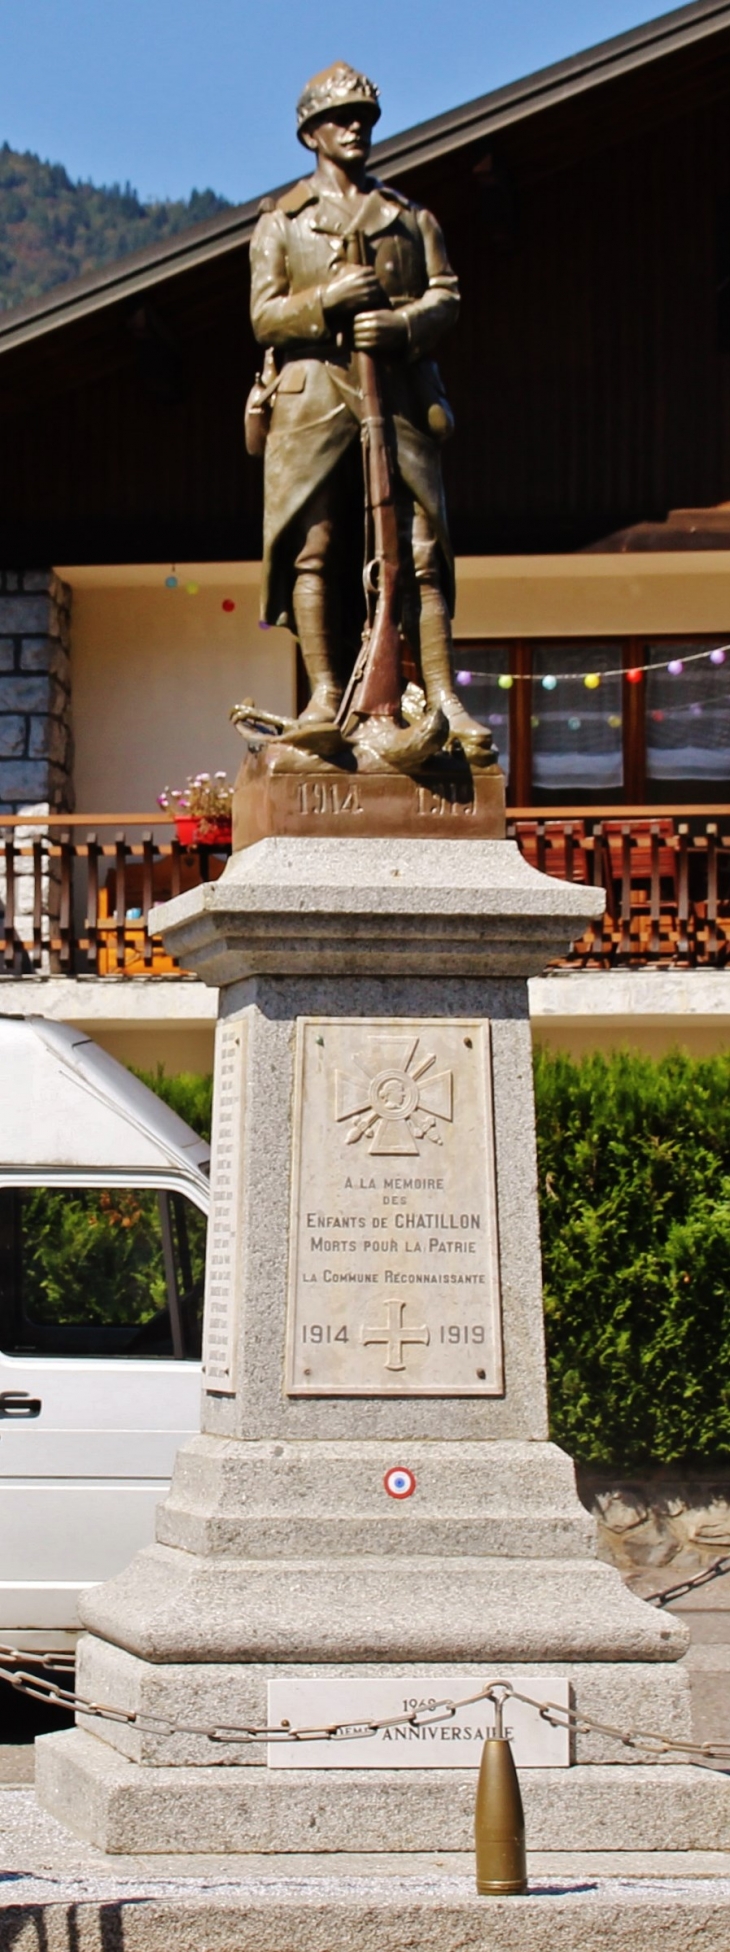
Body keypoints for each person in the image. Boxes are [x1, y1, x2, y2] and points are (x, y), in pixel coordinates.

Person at [249, 61, 494, 762]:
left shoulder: (409, 218)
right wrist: (325, 301)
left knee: (420, 553)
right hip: (314, 398)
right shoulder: (281, 222)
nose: (355, 127)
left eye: (364, 117)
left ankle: (443, 695)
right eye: (340, 117)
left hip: (400, 398)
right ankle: (326, 693)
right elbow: (264, 317)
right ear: (310, 132)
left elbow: (445, 295)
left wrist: (403, 328)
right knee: (314, 547)